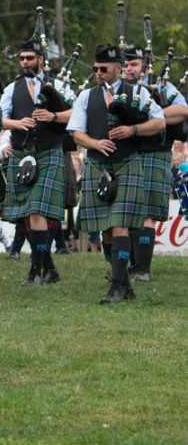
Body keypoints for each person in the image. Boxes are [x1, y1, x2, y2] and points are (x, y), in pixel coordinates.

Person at [67, 45, 164, 303]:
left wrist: (133, 130)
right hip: (98, 165)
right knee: (106, 230)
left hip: (127, 164)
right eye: (95, 68)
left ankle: (117, 288)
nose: (98, 73)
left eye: (103, 69)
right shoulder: (87, 96)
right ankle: (122, 281)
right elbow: (76, 132)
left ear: (118, 69)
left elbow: (159, 121)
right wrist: (95, 143)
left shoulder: (138, 92)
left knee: (119, 225)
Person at [0, 39, 72, 286]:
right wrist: (17, 123)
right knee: (28, 217)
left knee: (37, 211)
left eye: (30, 58)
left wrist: (53, 116)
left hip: (49, 152)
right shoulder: (12, 88)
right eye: (22, 58)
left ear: (41, 59)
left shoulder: (58, 85)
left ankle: (35, 272)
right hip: (21, 154)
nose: (25, 63)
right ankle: (49, 269)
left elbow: (77, 113)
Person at [122, 45, 188, 281]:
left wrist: (153, 116)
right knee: (127, 212)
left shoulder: (162, 86)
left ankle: (143, 269)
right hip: (126, 152)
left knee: (146, 211)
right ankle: (131, 265)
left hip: (154, 152)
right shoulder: (120, 88)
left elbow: (182, 110)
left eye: (135, 64)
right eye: (127, 64)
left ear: (146, 66)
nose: (130, 69)